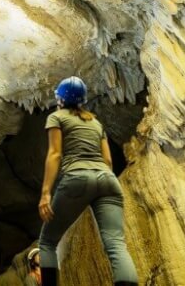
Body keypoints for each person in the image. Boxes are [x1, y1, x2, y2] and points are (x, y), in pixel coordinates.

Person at [36, 76, 139, 286]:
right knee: (116, 245)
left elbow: (55, 154)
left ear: (61, 99)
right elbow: (108, 160)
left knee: (47, 242)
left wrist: (46, 193)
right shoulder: (95, 122)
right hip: (107, 179)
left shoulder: (57, 117)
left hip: (77, 177)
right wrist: (100, 183)